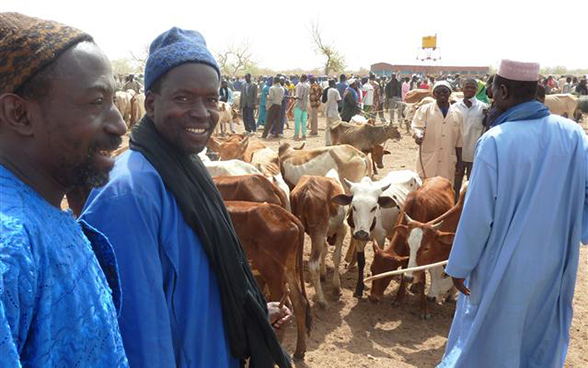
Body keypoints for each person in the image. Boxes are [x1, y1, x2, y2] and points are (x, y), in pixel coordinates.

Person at [80, 27, 292, 368]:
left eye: (210, 99)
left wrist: (246, 312)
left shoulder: (187, 171)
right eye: (183, 98)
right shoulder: (128, 194)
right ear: (150, 103)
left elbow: (196, 287)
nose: (202, 112)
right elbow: (139, 337)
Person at [438, 59, 588, 368]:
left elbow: (478, 216)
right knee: (538, 337)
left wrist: (459, 265)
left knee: (489, 337)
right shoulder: (574, 135)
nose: (491, 100)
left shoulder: (495, 141)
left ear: (503, 91)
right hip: (555, 263)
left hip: (502, 266)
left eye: (492, 93)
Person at [0, 12, 128, 366]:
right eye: (96, 102)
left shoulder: (42, 214)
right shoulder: (10, 248)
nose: (119, 124)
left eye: (113, 100)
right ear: (20, 114)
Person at [411, 80, 463, 184]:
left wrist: (459, 161)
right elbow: (417, 126)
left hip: (448, 159)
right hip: (428, 160)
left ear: (450, 93)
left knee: (444, 191)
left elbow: (459, 140)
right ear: (434, 94)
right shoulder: (424, 110)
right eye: (438, 92)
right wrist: (418, 134)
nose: (442, 94)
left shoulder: (457, 113)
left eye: (445, 91)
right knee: (425, 190)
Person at [452, 79, 488, 197]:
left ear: (476, 90)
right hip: (458, 154)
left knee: (472, 186)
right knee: (455, 185)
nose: (469, 90)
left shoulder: (483, 109)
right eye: (467, 87)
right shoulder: (454, 107)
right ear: (462, 88)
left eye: (472, 87)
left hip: (475, 154)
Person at [324, 79, 342, 145]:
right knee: (338, 125)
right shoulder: (335, 91)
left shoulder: (326, 90)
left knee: (328, 128)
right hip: (334, 111)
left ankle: (328, 142)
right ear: (334, 84)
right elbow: (339, 100)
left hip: (327, 111)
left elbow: (323, 100)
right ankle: (337, 141)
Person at [293, 74, 310, 140]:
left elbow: (299, 96)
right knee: (304, 121)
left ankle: (296, 135)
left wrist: (294, 97)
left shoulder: (299, 85)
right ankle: (304, 135)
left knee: (297, 121)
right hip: (305, 105)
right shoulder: (308, 86)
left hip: (299, 105)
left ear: (302, 78)